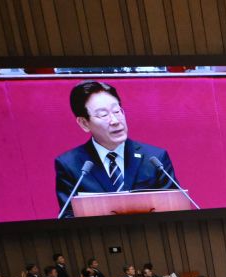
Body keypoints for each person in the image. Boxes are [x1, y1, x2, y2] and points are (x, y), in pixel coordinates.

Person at [53, 80, 176, 216]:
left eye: (117, 111)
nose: (115, 121)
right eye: (103, 115)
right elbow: (68, 217)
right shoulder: (71, 165)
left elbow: (175, 209)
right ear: (84, 123)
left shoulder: (155, 159)